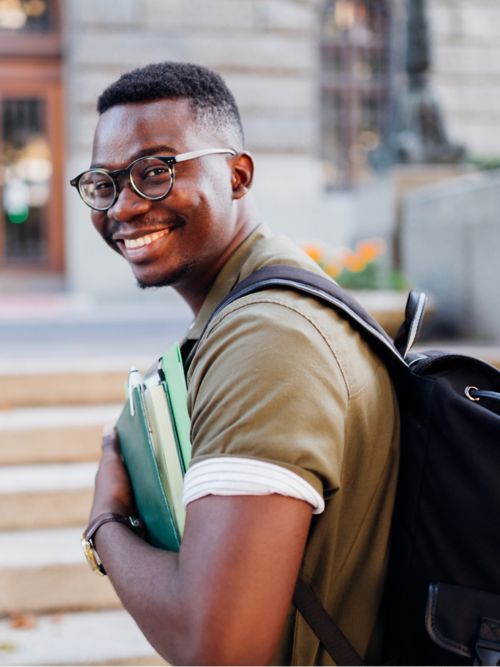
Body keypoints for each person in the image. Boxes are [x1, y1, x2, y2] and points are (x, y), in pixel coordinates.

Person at [71, 61, 399, 666]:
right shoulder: (255, 305)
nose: (124, 206)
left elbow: (219, 651)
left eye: (155, 171)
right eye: (103, 183)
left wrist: (105, 523)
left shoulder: (268, 338)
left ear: (238, 175)